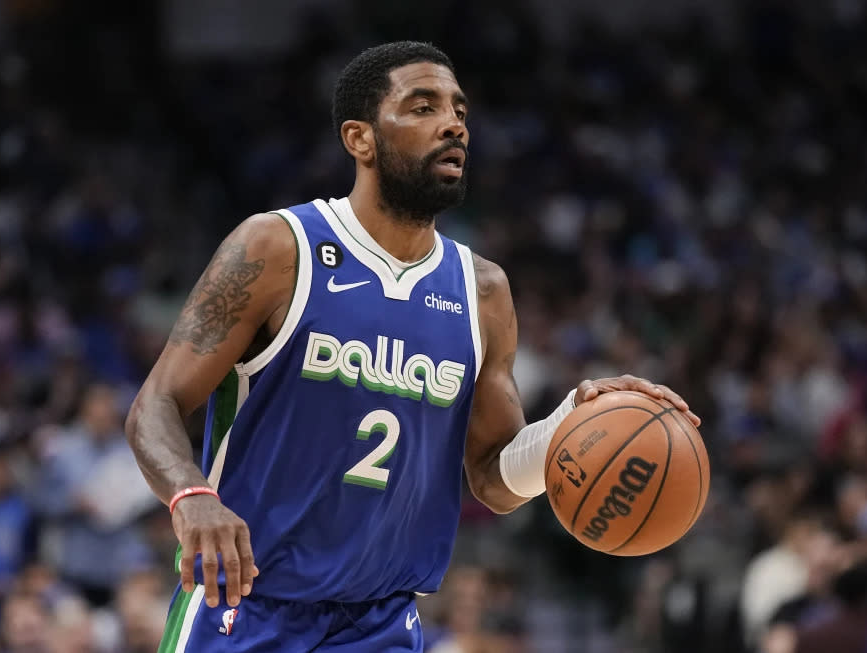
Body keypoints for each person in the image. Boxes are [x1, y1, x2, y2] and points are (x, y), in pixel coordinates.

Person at [125, 41, 701, 652]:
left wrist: (569, 425)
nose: (453, 124)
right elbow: (155, 405)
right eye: (422, 106)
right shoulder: (278, 248)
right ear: (360, 138)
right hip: (247, 606)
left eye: (459, 110)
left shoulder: (481, 289)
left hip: (382, 624)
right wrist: (192, 498)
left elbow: (493, 479)